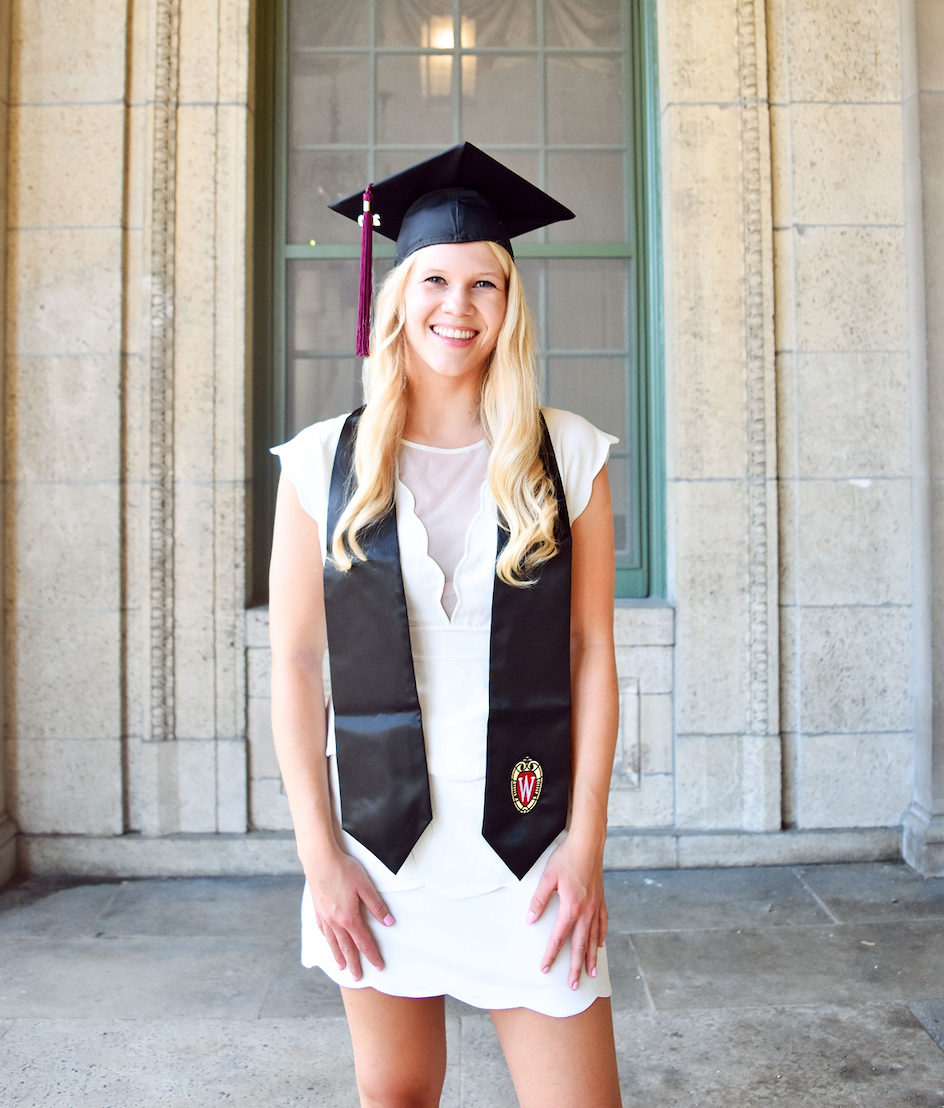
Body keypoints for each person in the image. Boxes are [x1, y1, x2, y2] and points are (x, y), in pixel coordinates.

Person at [269, 143, 623, 1108]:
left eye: (485, 283)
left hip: (532, 843)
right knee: (396, 1096)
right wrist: (320, 858)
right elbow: (298, 663)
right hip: (381, 852)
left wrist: (585, 845)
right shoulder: (319, 465)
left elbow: (591, 653)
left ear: (510, 305)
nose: (456, 306)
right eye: (434, 278)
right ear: (396, 295)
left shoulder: (570, 455)